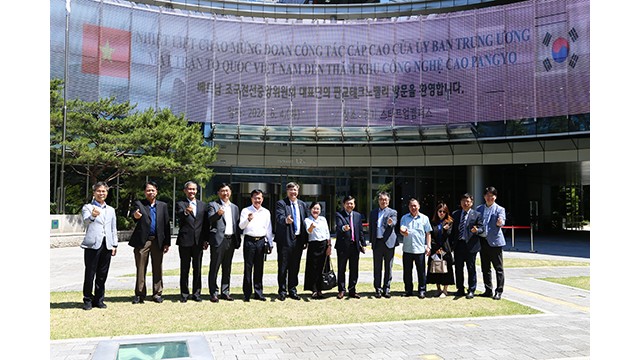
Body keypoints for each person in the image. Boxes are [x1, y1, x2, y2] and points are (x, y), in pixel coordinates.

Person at [129, 181, 171, 304]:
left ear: (156, 192)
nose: (150, 192)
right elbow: (134, 214)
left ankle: (157, 293)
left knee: (157, 267)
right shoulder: (139, 203)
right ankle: (139, 294)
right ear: (144, 192)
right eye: (148, 190)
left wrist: (167, 242)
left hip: (158, 241)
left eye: (153, 190)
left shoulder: (162, 205)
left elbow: (166, 225)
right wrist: (135, 216)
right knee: (141, 268)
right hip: (143, 241)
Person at [80, 181, 118, 310]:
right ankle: (87, 299)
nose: (101, 193)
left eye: (104, 191)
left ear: (107, 193)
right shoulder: (88, 207)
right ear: (94, 193)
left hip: (107, 244)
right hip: (92, 245)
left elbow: (113, 228)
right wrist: (92, 216)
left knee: (102, 274)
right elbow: (85, 221)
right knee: (90, 273)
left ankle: (99, 299)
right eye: (99, 191)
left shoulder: (111, 210)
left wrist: (115, 244)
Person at [275, 182, 310, 301]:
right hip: (285, 241)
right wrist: (286, 220)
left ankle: (292, 289)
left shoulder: (302, 205)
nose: (293, 192)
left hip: (298, 240)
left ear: (298, 191)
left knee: (295, 267)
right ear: (287, 191)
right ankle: (282, 290)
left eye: (295, 190)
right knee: (283, 266)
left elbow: (305, 222)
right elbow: (279, 218)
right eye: (290, 190)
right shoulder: (281, 203)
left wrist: (306, 240)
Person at [175, 181, 209, 303]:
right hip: (185, 241)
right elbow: (179, 217)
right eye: (189, 189)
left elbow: (205, 224)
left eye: (194, 189)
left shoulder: (202, 205)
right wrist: (186, 212)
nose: (192, 191)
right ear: (185, 191)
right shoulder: (181, 204)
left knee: (197, 268)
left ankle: (196, 293)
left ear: (197, 191)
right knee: (184, 268)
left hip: (198, 241)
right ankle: (184, 294)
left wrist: (206, 240)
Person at [206, 183, 241, 302]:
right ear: (218, 193)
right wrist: (217, 214)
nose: (225, 193)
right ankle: (213, 293)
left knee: (227, 267)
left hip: (230, 240)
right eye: (222, 191)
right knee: (215, 267)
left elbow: (236, 225)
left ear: (230, 192)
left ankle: (225, 291)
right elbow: (209, 220)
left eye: (227, 191)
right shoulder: (213, 205)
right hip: (218, 240)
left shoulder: (235, 207)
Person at [239, 189, 273, 302]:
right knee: (248, 268)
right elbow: (241, 226)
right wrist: (248, 219)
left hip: (261, 241)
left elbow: (268, 228)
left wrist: (270, 243)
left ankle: (258, 293)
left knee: (259, 268)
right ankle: (247, 293)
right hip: (249, 241)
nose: (257, 200)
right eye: (255, 198)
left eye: (259, 198)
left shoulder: (266, 212)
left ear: (262, 199)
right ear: (251, 199)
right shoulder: (245, 210)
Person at [450, 193, 484, 299]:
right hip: (458, 245)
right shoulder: (455, 214)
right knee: (458, 268)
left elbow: (482, 228)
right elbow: (452, 231)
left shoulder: (477, 214)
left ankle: (471, 290)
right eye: (463, 201)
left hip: (471, 246)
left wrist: (477, 230)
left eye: (468, 201)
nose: (465, 203)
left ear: (471, 203)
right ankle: (460, 289)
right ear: (460, 202)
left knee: (471, 268)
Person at [477, 186, 507, 300]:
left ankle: (499, 291)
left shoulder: (500, 209)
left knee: (498, 268)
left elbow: (502, 221)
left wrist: (500, 222)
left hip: (495, 243)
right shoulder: (479, 209)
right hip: (482, 241)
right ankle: (488, 290)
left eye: (492, 196)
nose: (490, 198)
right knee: (485, 268)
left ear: (495, 197)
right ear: (484, 196)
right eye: (488, 196)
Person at [398, 198, 432, 299]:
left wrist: (428, 246)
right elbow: (401, 229)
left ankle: (422, 290)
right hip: (407, 249)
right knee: (407, 272)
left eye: (415, 206)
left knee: (421, 272)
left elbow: (428, 233)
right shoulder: (404, 218)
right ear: (408, 207)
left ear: (419, 206)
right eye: (411, 206)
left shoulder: (424, 218)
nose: (413, 208)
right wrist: (403, 232)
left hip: (420, 249)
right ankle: (408, 290)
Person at [334, 195, 366, 299]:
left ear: (354, 204)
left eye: (351, 203)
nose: (350, 205)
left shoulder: (357, 215)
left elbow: (360, 230)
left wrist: (363, 243)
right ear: (344, 204)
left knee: (354, 269)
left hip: (354, 246)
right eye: (348, 203)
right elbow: (339, 226)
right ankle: (341, 290)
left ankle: (352, 290)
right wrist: (343, 228)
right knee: (341, 268)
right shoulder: (339, 214)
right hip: (343, 246)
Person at [369, 191, 398, 299]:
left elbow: (394, 222)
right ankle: (378, 289)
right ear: (378, 200)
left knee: (388, 267)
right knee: (377, 267)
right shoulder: (373, 213)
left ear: (388, 201)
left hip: (388, 243)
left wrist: (391, 222)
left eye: (385, 199)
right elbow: (372, 228)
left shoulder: (392, 212)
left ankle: (387, 288)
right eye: (381, 199)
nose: (383, 201)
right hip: (377, 242)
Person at [303, 202, 332, 299]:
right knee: (313, 268)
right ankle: (314, 290)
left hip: (324, 245)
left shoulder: (323, 219)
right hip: (313, 246)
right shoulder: (307, 220)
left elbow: (327, 233)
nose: (316, 210)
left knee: (322, 268)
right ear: (310, 209)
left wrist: (329, 246)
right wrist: (311, 226)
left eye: (318, 209)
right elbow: (308, 231)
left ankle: (320, 289)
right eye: (314, 208)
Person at [426, 202, 456, 298]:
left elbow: (450, 237)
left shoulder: (449, 222)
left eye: (444, 211)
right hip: (435, 250)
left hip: (445, 250)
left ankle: (445, 290)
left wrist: (445, 230)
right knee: (436, 269)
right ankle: (438, 288)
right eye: (440, 211)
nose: (441, 213)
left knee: (446, 270)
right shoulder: (433, 222)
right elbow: (431, 235)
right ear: (437, 212)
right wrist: (434, 247)